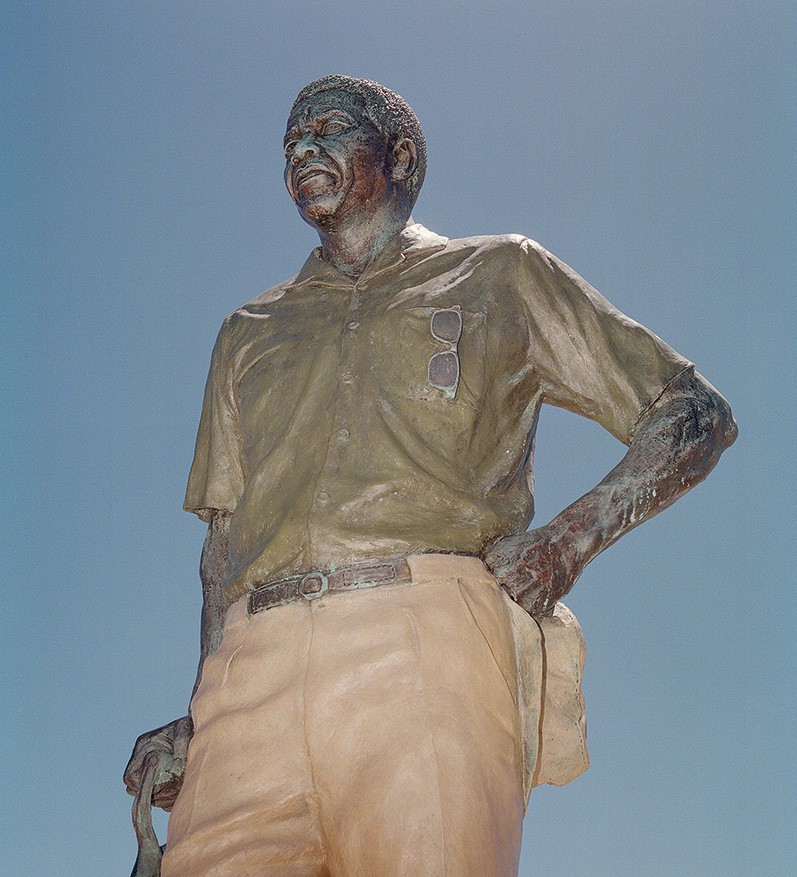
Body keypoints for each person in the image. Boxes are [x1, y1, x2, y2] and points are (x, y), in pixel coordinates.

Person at [125, 75, 736, 877]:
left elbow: (692, 413)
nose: (300, 149)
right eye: (288, 141)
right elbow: (218, 547)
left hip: (426, 645)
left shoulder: (500, 274)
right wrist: (200, 713)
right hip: (249, 675)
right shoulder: (248, 331)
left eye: (328, 129)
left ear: (400, 155)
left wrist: (566, 540)